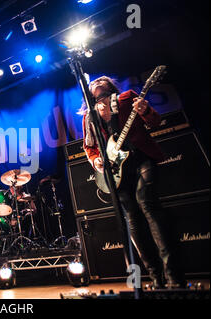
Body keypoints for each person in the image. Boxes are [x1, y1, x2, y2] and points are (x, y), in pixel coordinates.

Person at [79, 76, 185, 289]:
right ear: (89, 93)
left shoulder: (127, 98)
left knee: (148, 205)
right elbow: (89, 146)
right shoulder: (89, 116)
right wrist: (95, 160)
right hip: (116, 170)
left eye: (101, 80)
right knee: (133, 218)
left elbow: (154, 122)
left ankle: (174, 276)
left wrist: (145, 110)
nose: (97, 82)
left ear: (109, 85)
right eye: (93, 82)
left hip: (140, 158)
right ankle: (155, 277)